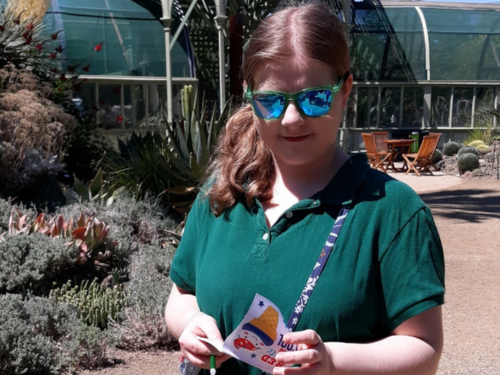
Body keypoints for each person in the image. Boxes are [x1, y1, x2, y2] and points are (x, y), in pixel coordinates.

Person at [165, 2, 445, 374]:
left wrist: (332, 361)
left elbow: (424, 347)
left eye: (315, 99)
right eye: (271, 101)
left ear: (345, 90)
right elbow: (182, 295)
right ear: (249, 96)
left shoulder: (392, 212)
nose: (292, 119)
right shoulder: (222, 195)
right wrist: (190, 324)